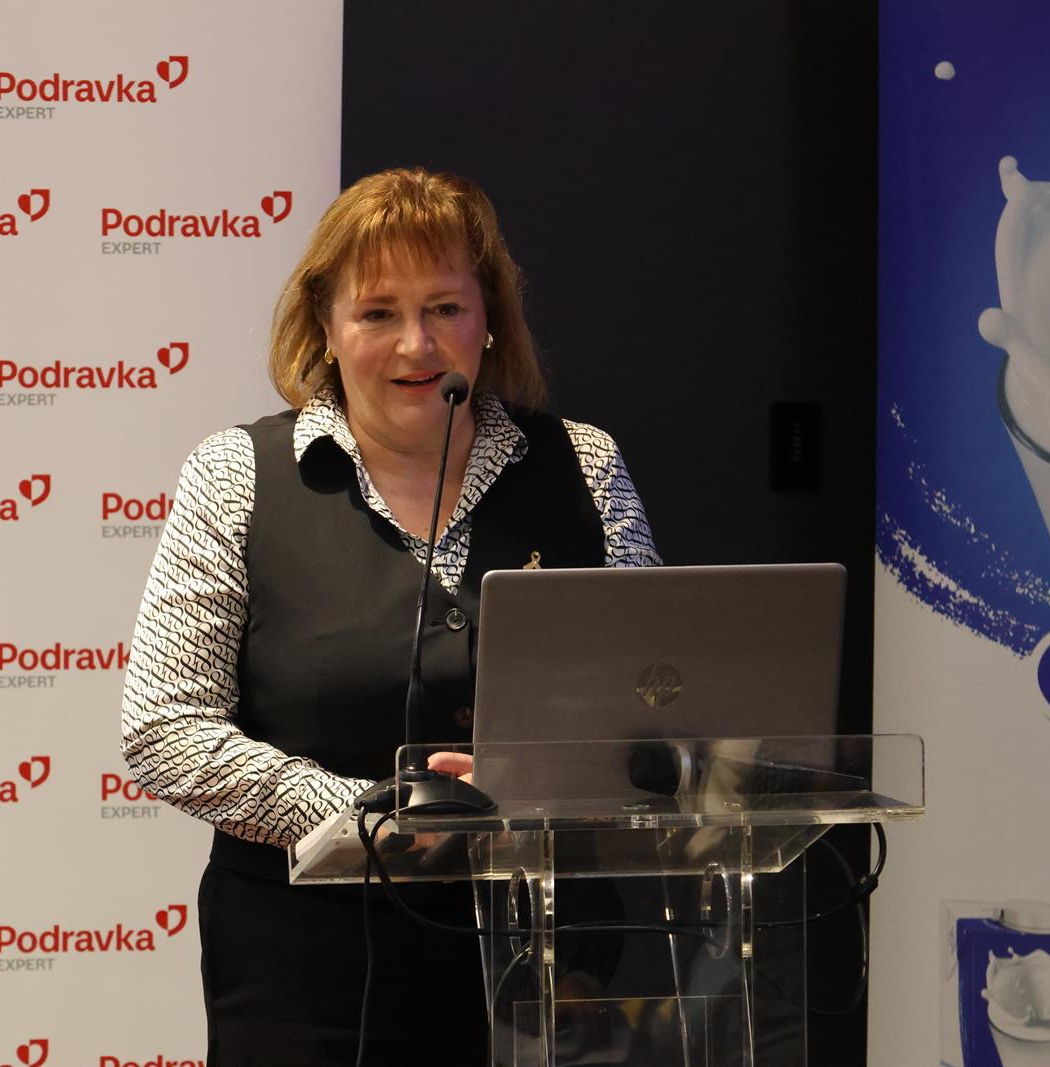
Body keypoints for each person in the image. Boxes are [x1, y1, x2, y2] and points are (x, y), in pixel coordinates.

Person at [121, 167, 660, 1066]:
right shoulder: (236, 476)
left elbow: (656, 708)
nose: (418, 343)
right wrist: (375, 816)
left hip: (552, 972)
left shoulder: (585, 467)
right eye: (378, 312)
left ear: (490, 319)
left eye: (446, 307)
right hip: (306, 985)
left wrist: (538, 781)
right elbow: (163, 728)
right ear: (326, 327)